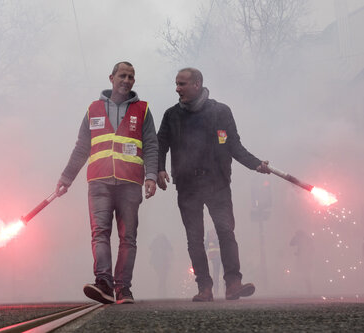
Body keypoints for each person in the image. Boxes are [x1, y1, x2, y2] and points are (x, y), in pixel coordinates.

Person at [157, 67, 270, 302]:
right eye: (176, 84)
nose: (177, 89)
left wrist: (256, 164)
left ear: (197, 84)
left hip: (217, 182)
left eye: (182, 84)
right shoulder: (171, 115)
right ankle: (204, 288)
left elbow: (235, 146)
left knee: (226, 231)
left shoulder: (220, 112)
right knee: (194, 237)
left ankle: (233, 284)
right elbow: (161, 144)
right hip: (187, 185)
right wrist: (158, 169)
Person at [56, 61, 159, 304]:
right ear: (111, 78)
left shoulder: (142, 110)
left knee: (128, 237)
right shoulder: (93, 110)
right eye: (122, 75)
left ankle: (123, 288)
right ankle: (104, 283)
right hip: (99, 182)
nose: (127, 80)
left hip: (130, 182)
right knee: (100, 233)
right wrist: (66, 178)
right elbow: (82, 147)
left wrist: (151, 176)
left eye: (131, 77)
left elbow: (152, 145)